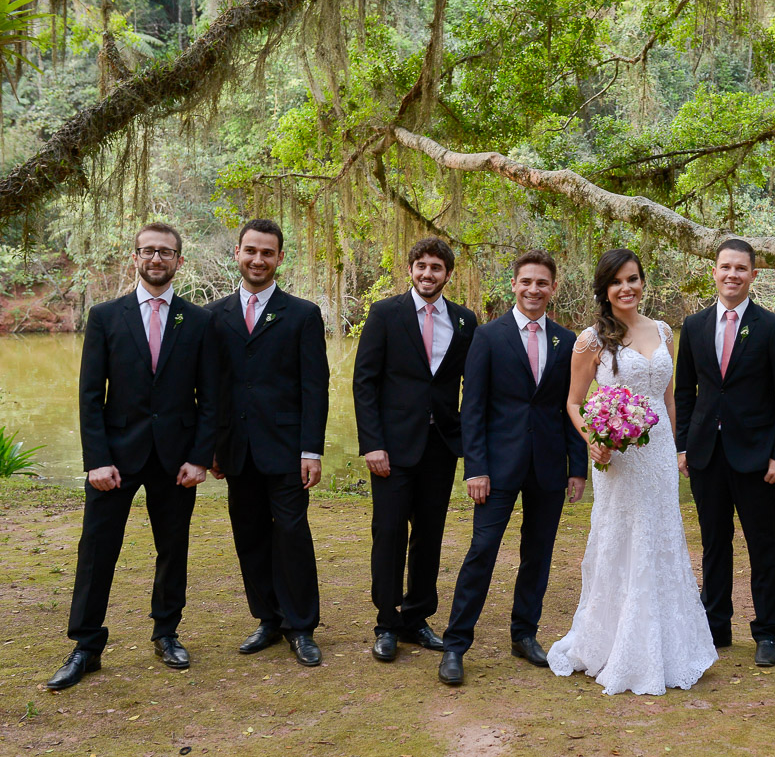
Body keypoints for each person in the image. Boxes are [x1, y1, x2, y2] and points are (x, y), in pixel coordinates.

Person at [48, 222, 217, 690]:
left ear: (179, 261)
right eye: (148, 251)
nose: (156, 259)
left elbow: (212, 397)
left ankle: (166, 633)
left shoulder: (197, 320)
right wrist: (95, 459)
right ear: (135, 258)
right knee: (97, 550)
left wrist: (200, 456)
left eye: (166, 252)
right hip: (115, 459)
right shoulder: (106, 316)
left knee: (172, 548)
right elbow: (89, 394)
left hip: (176, 458)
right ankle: (86, 645)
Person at [548, 249, 717, 694]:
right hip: (617, 459)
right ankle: (614, 642)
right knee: (623, 538)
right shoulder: (591, 340)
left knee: (662, 536)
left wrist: (677, 448)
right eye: (618, 281)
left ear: (643, 283)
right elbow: (574, 402)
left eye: (634, 279)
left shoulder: (663, 331)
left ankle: (670, 643)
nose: (628, 288)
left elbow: (669, 398)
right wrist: (596, 441)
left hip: (658, 453)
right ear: (605, 289)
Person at [437, 250, 587, 686]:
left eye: (542, 282)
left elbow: (570, 408)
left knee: (537, 555)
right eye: (526, 282)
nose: (534, 289)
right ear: (514, 285)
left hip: (547, 467)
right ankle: (455, 644)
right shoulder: (488, 336)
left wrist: (575, 467)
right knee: (481, 553)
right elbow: (474, 408)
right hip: (497, 468)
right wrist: (475, 468)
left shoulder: (567, 340)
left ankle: (524, 633)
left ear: (553, 288)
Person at [208, 219, 330, 667]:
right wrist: (212, 448)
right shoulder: (214, 315)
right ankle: (267, 618)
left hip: (286, 448)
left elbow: (315, 387)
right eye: (250, 251)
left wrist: (310, 450)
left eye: (267, 252)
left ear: (280, 258)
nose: (258, 259)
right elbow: (211, 386)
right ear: (237, 253)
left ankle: (301, 626)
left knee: (292, 534)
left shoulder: (302, 314)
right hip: (236, 447)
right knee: (250, 534)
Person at [674, 238, 775, 667]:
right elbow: (687, 392)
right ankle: (716, 625)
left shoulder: (772, 327)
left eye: (741, 268)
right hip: (707, 453)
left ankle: (768, 632)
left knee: (762, 544)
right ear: (714, 271)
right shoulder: (693, 326)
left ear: (753, 275)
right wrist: (683, 445)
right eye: (725, 267)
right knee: (714, 543)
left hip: (756, 456)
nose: (732, 275)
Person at [353, 237, 477, 661]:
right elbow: (365, 382)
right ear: (410, 269)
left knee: (429, 535)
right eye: (421, 266)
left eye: (437, 268)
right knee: (388, 533)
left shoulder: (464, 321)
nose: (428, 274)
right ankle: (387, 622)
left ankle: (417, 617)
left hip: (440, 446)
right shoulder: (385, 313)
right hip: (390, 448)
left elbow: (469, 387)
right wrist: (372, 443)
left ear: (448, 274)